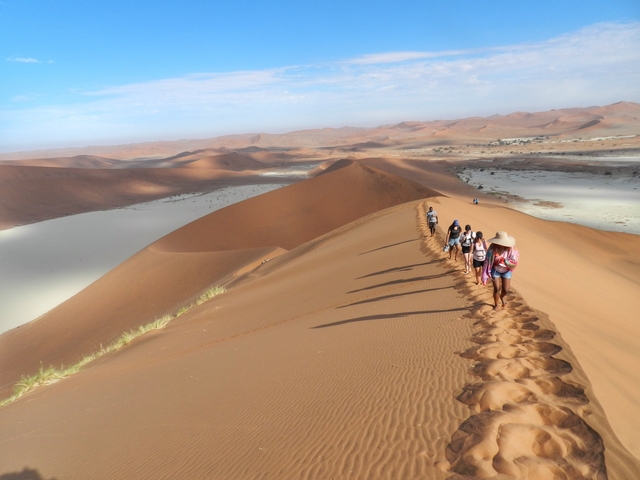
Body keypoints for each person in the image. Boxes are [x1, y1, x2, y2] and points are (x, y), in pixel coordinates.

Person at [481, 231, 519, 310]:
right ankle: (496, 304)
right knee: (496, 288)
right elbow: (487, 260)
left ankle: (502, 297)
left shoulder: (511, 249)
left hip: (506, 270)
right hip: (496, 270)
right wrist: (485, 272)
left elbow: (514, 262)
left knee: (505, 289)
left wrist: (505, 261)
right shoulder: (492, 248)